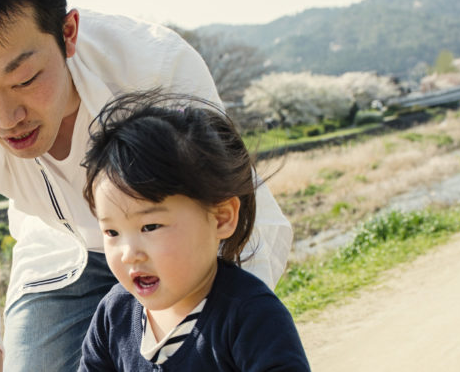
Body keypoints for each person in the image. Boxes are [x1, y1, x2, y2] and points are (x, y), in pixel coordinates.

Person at [0, 0, 294, 370]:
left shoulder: (153, 65)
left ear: (68, 33)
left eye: (25, 80)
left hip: (180, 238)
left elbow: (219, 198)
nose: (6, 118)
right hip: (60, 249)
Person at [77, 92, 310, 371]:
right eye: (112, 232)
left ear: (221, 218)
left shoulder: (250, 316)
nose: (129, 254)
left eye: (150, 226)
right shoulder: (114, 315)